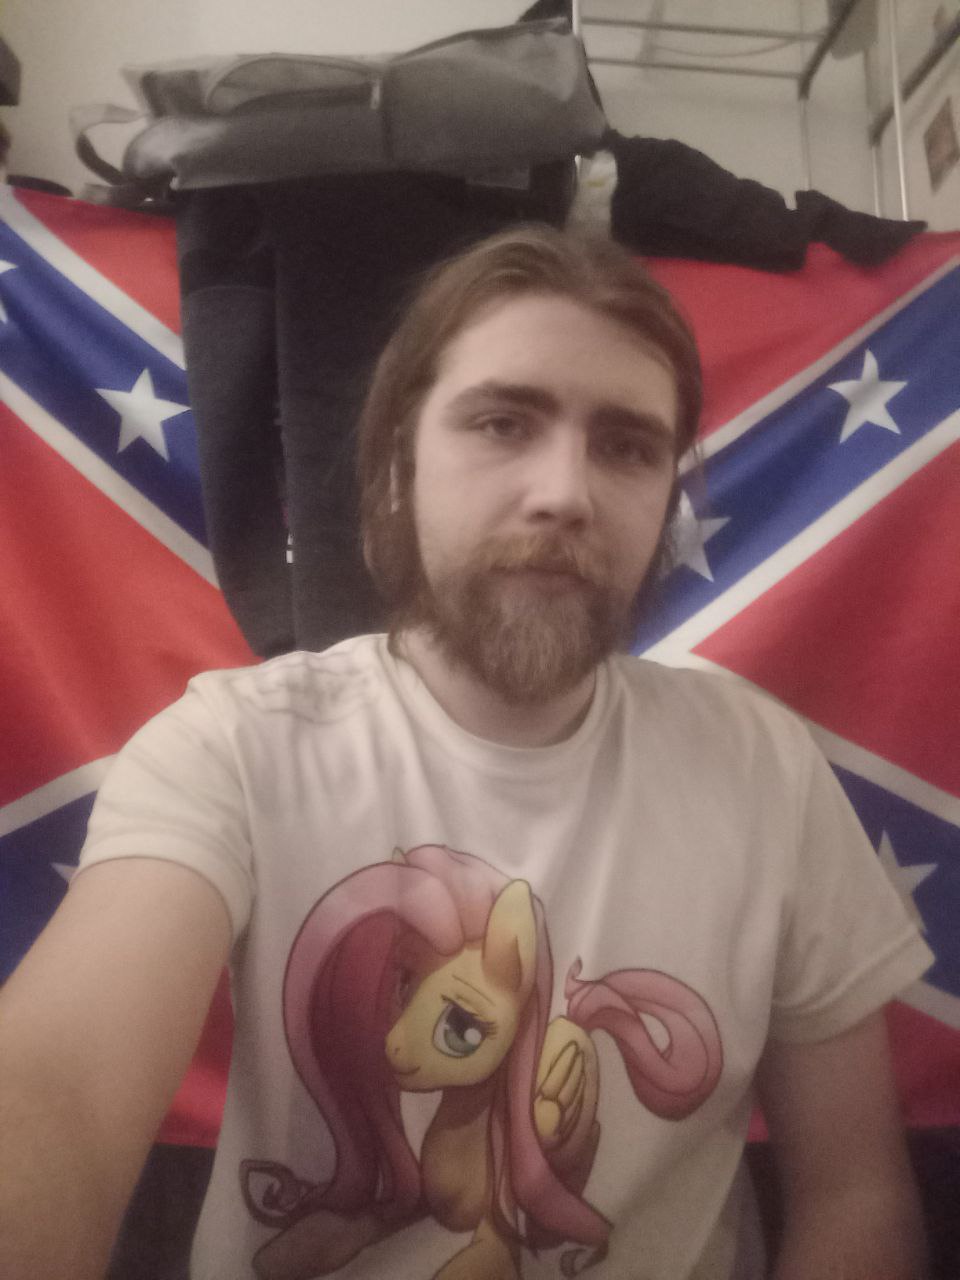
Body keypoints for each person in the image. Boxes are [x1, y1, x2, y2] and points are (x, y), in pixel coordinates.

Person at [0, 226, 932, 1280]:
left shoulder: (762, 763)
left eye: (627, 447)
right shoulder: (235, 746)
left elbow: (856, 1193)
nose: (564, 493)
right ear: (398, 471)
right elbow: (55, 1096)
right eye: (502, 422)